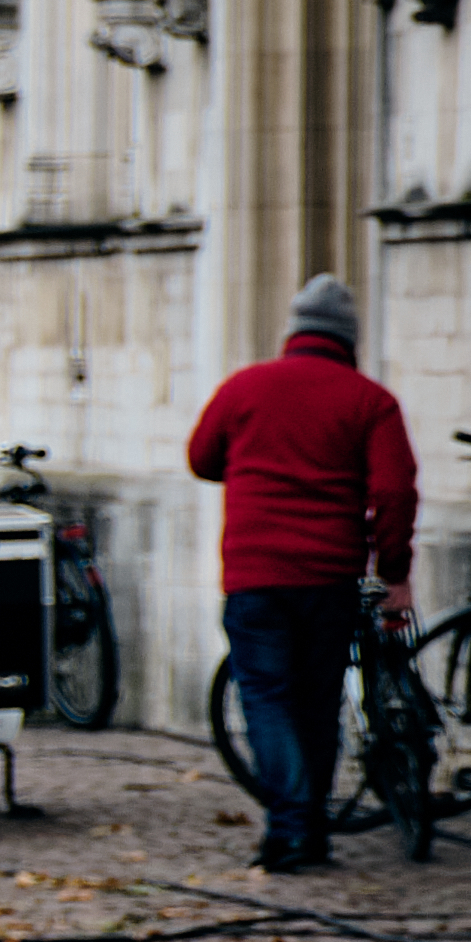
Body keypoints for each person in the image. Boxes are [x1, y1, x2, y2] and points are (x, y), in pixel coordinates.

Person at [188, 273, 423, 875]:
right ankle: (305, 828)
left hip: (254, 575)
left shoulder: (244, 388)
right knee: (318, 703)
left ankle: (290, 830)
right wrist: (393, 570)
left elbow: (201, 458)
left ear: (293, 333)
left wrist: (256, 466)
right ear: (348, 340)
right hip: (327, 578)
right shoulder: (369, 400)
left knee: (266, 699)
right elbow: (395, 490)